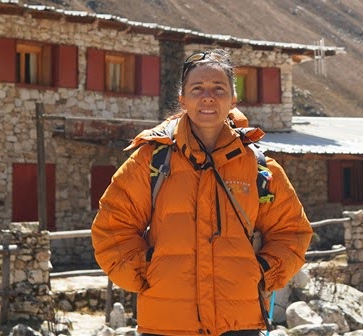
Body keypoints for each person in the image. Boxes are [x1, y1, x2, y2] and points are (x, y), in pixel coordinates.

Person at [92, 49, 313, 336]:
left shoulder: (258, 166)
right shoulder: (151, 160)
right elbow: (112, 228)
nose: (208, 96)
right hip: (167, 323)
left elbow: (292, 232)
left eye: (218, 88)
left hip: (239, 323)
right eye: (197, 88)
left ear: (233, 98)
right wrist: (148, 271)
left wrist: (260, 274)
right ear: (182, 98)